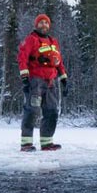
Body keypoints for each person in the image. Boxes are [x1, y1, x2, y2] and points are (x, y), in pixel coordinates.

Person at [17, 14, 68, 152]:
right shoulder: (31, 40)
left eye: (46, 22)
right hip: (35, 81)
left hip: (50, 83)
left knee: (52, 111)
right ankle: (26, 143)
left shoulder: (53, 42)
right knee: (32, 110)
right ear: (36, 24)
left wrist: (63, 78)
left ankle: (47, 143)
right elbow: (22, 58)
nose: (44, 25)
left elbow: (58, 61)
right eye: (41, 22)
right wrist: (25, 77)